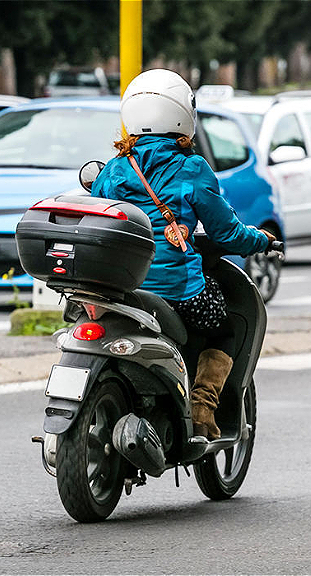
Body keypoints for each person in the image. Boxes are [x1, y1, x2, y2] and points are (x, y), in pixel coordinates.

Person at [91, 69, 275, 440]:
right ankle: (203, 408)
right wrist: (261, 241)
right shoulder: (191, 168)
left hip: (121, 288)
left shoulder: (112, 170)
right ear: (182, 115)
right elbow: (227, 232)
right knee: (224, 330)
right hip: (177, 289)